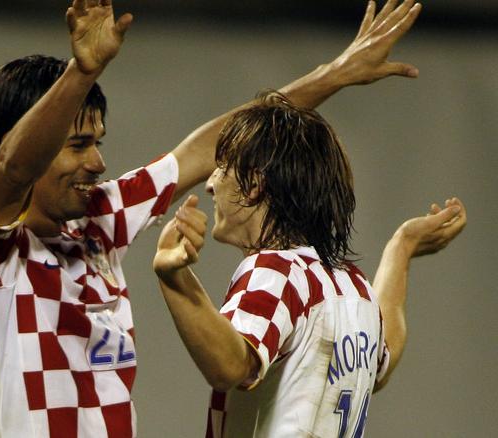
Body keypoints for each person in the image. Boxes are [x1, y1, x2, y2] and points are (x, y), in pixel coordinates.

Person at [0, 0, 425, 436]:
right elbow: (13, 170)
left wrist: (337, 72)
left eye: (97, 142)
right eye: (78, 144)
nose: (98, 162)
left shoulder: (98, 222)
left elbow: (210, 148)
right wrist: (81, 74)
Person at [152, 93, 467, 437]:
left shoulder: (275, 270)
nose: (210, 184)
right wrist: (401, 248)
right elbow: (383, 358)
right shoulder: (355, 286)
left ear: (254, 185)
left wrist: (175, 278)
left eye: (223, 167)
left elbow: (231, 367)